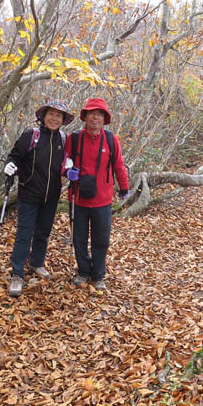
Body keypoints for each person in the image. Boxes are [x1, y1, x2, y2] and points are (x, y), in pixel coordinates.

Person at [4, 100, 74, 297]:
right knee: (24, 233)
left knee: (43, 232)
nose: (54, 118)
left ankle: (37, 263)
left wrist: (69, 170)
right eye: (51, 114)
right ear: (43, 116)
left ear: (63, 120)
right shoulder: (30, 135)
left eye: (59, 116)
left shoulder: (63, 139)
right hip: (28, 193)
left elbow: (64, 166)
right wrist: (9, 166)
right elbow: (14, 156)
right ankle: (17, 274)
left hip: (51, 196)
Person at [65, 98, 129, 291]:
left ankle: (98, 274)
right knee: (79, 238)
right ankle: (83, 271)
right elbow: (65, 161)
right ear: (85, 116)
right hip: (78, 198)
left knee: (101, 239)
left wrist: (124, 188)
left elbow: (118, 164)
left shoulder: (111, 139)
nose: (95, 117)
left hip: (103, 199)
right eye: (92, 113)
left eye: (100, 114)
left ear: (104, 118)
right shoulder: (74, 138)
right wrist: (67, 171)